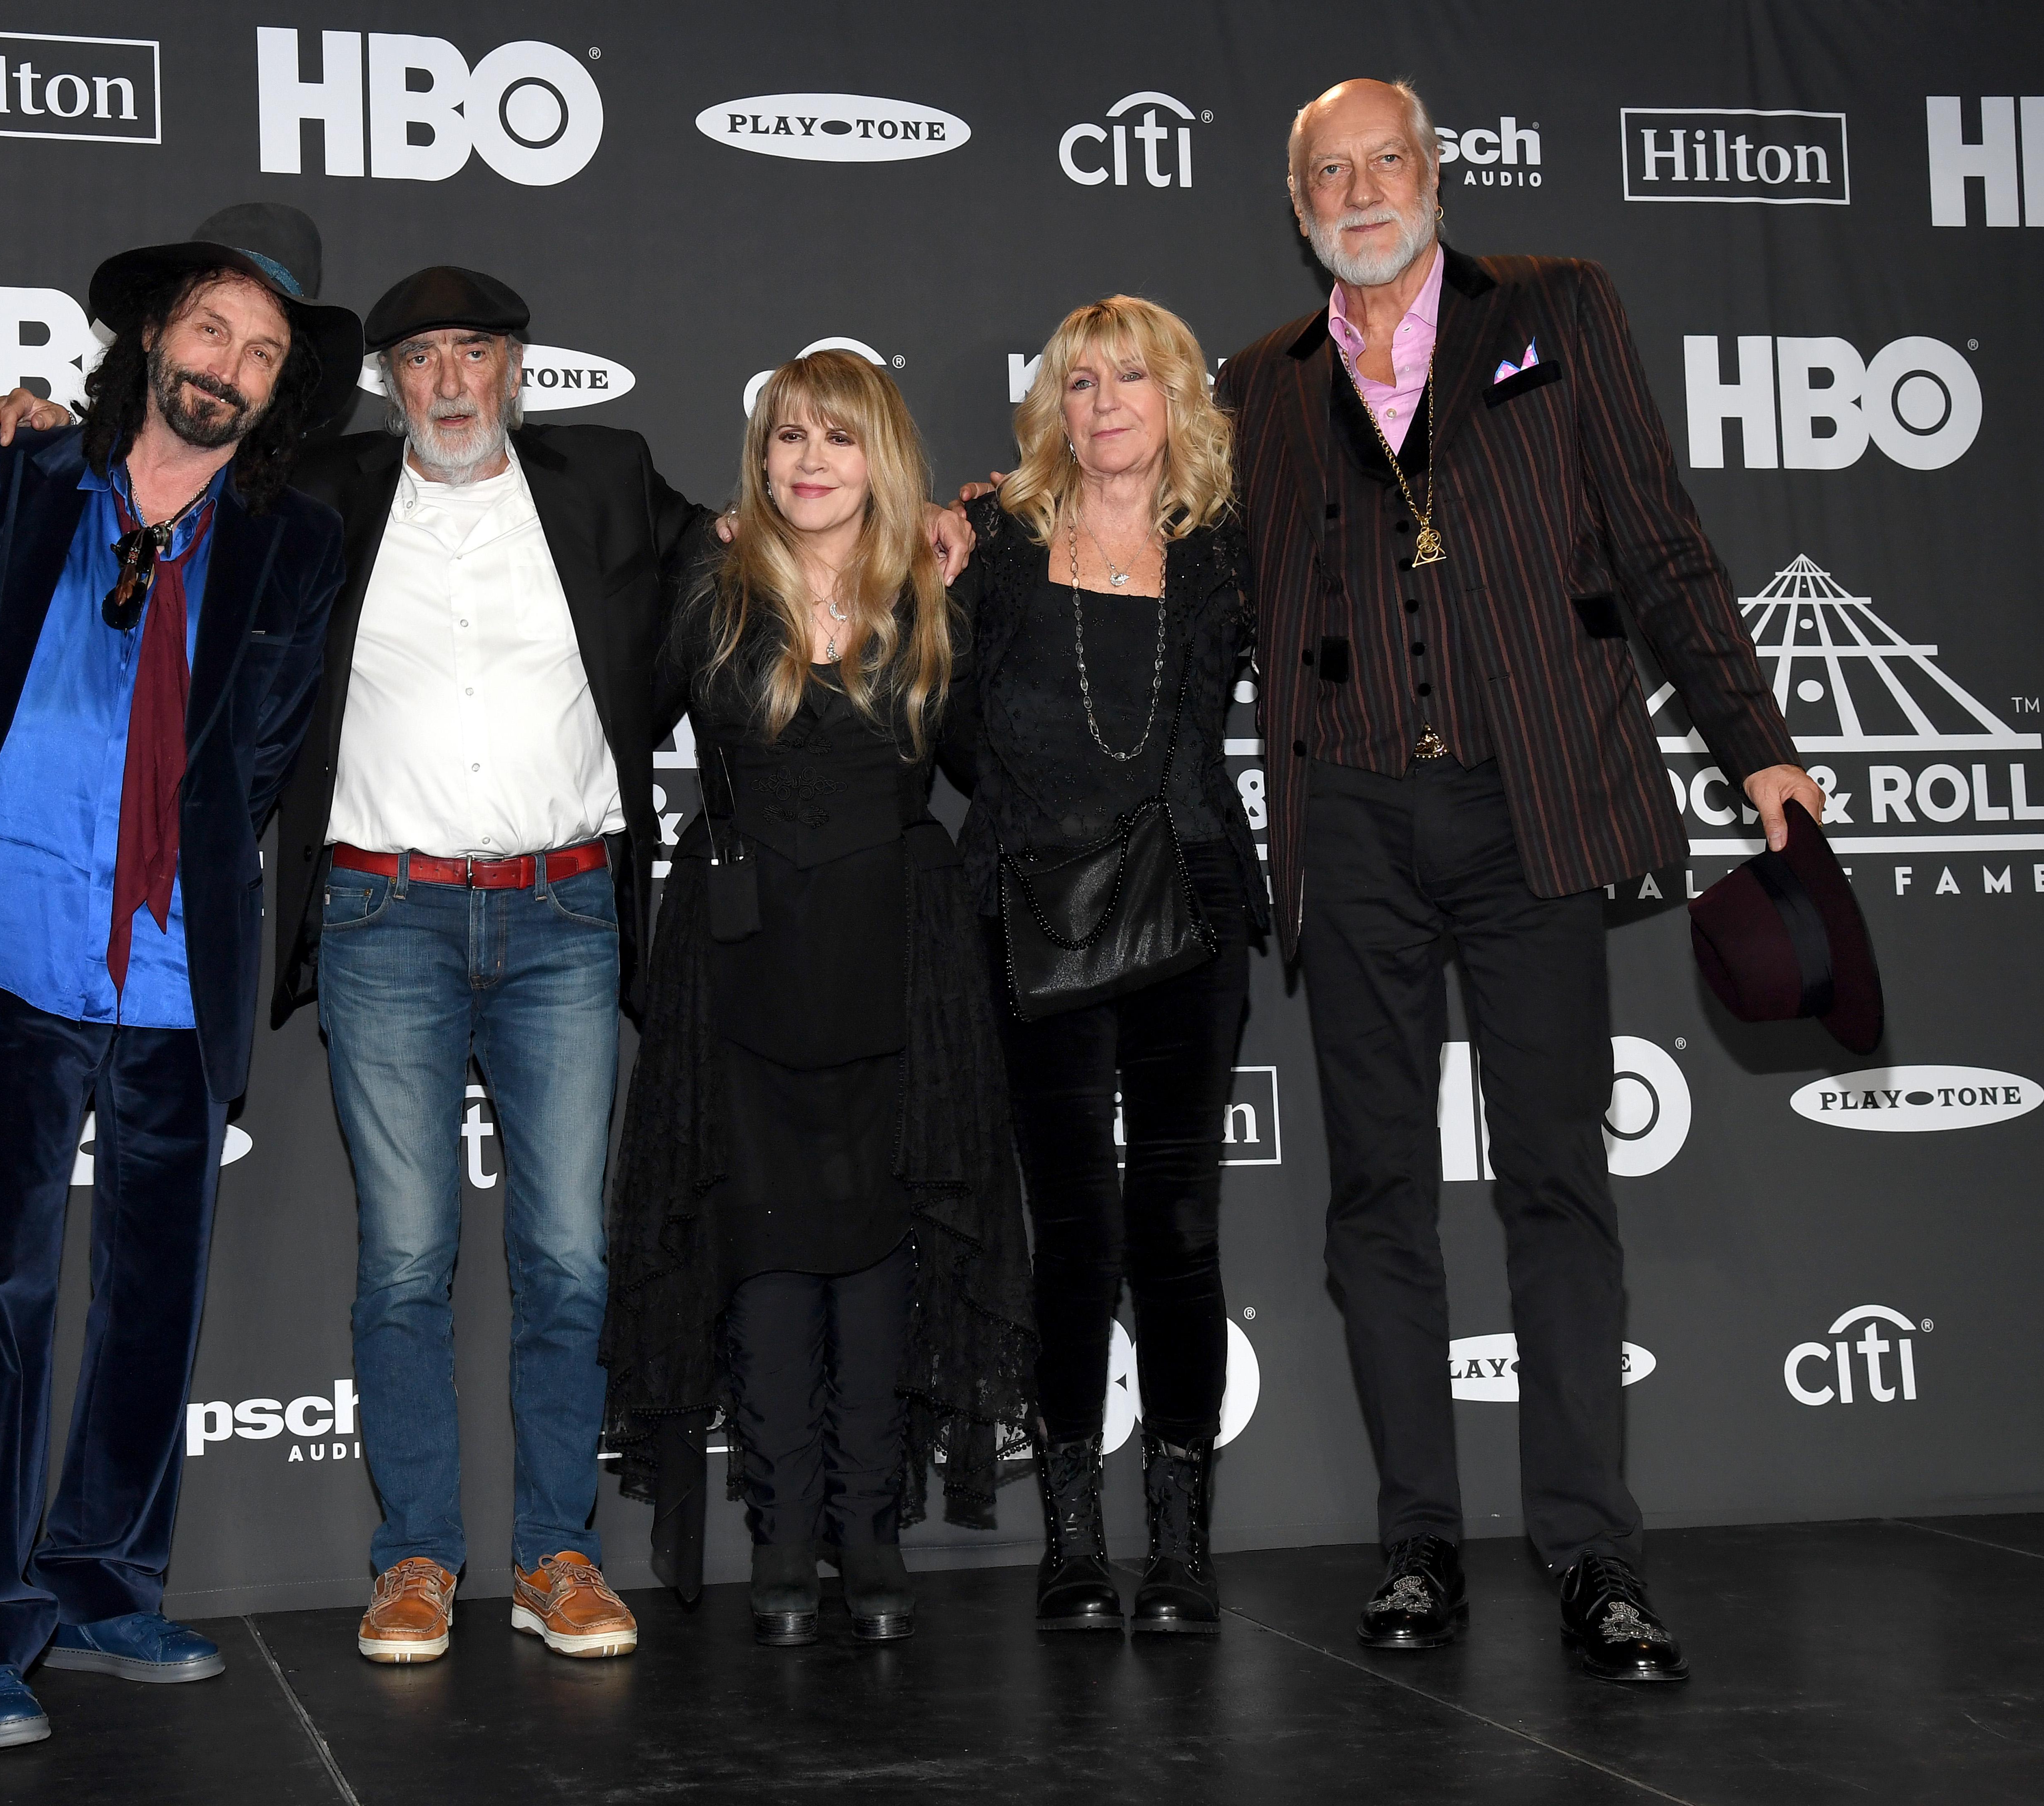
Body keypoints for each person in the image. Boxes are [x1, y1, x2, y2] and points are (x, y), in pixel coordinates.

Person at [0, 267, 977, 1669]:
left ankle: (559, 1556)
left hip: (567, 914)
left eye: (478, 355)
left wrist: (928, 518)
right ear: (389, 381)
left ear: (521, 369)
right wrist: (47, 420)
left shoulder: (613, 476)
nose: (451, 382)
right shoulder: (319, 487)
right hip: (386, 918)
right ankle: (416, 1563)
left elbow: (783, 538)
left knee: (569, 1258)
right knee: (406, 1261)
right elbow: (166, 457)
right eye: (423, 359)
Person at [1217, 78, 1822, 1683]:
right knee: (1377, 1197)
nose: (1359, 192)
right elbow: (1166, 553)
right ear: (1297, 210)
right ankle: (1418, 1543)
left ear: (1436, 174)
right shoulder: (1260, 385)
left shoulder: (1560, 308)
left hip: (1531, 808)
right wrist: (988, 528)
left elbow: (1659, 534)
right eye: (1327, 176)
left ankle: (1594, 1556)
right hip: (1347, 819)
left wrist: (1751, 739)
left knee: (1556, 1183)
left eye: (1384, 164)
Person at [0, 210, 357, 1749]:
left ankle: (100, 1579)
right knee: (0, 1287)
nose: (231, 368)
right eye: (213, 332)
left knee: (155, 1297)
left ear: (283, 393)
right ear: (155, 337)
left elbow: (262, 753)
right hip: (7, 937)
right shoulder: (13, 469)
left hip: (172, 960)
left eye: (265, 356)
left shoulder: (292, 541)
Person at [600, 351, 1037, 1647]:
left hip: (900, 965)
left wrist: (984, 546)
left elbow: (985, 760)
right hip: (741, 968)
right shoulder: (712, 589)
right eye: (788, 437)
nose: (808, 462)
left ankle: (869, 1531)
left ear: (880, 459)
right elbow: (610, 709)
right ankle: (783, 1535)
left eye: (836, 441)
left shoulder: (933, 595)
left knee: (883, 1253)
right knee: (771, 1255)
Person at [950, 297, 1263, 1636]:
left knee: (1179, 1236)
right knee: (1073, 1235)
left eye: (1133, 377)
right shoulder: (1002, 550)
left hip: (1188, 916)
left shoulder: (1228, 555)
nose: (1107, 403)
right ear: (1054, 411)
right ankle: (1072, 1539)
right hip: (1036, 916)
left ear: (1178, 397)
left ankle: (1180, 1544)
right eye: (1081, 384)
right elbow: (949, 731)